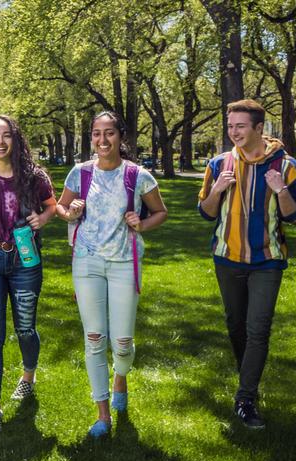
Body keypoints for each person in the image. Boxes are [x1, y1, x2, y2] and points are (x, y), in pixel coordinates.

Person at [198, 99, 296, 430]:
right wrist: (217, 190)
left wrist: (281, 191)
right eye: (230, 126)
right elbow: (205, 211)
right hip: (227, 258)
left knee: (258, 328)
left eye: (240, 126)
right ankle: (249, 375)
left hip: (267, 260)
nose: (234, 132)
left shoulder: (284, 167)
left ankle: (246, 398)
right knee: (236, 325)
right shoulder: (218, 165)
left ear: (259, 128)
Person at [58, 111, 168, 438]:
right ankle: (102, 414)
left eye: (109, 134)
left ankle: (120, 377)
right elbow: (61, 209)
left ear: (121, 137)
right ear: (91, 137)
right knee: (94, 338)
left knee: (121, 343)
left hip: (123, 264)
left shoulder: (138, 175)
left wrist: (142, 223)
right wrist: (71, 211)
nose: (102, 141)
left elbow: (161, 211)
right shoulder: (79, 174)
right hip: (87, 263)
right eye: (96, 134)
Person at [0, 116, 61, 433]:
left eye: (6, 136)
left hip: (25, 259)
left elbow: (52, 205)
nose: (0, 141)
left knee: (25, 329)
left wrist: (43, 218)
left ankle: (28, 377)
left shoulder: (34, 177)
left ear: (15, 141)